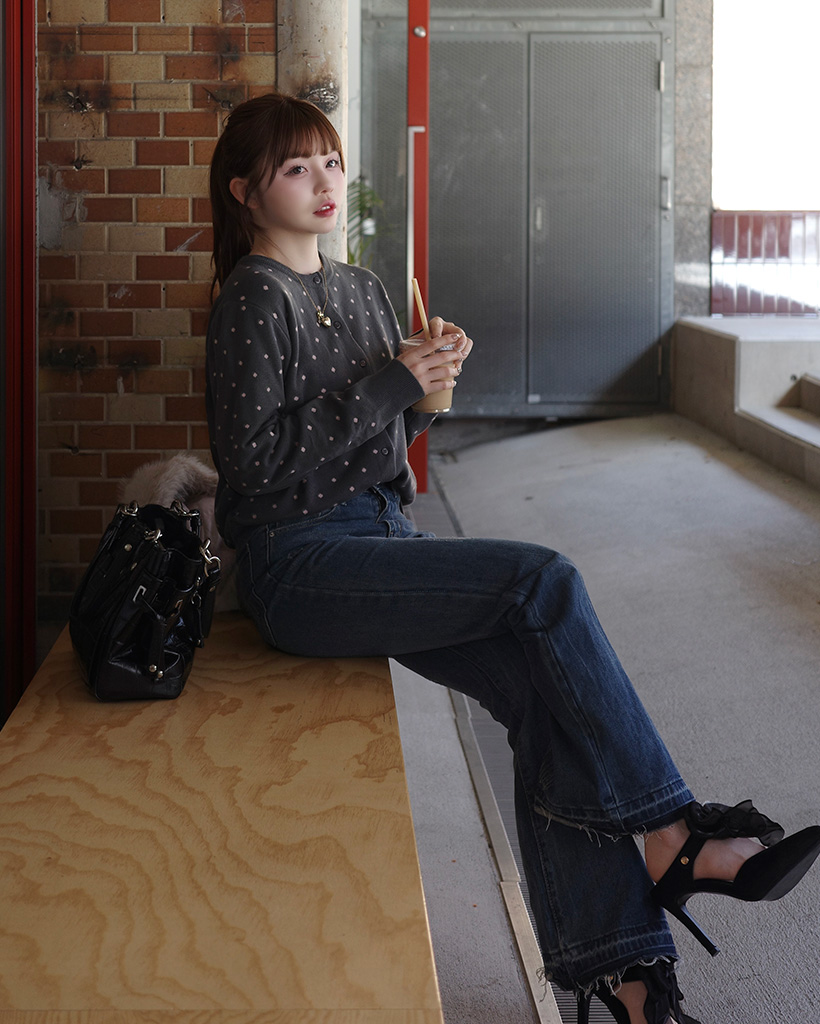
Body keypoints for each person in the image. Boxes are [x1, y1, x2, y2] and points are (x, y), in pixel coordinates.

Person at [205, 93, 820, 1024]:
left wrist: (426, 393)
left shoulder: (363, 287)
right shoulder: (254, 297)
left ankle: (629, 985)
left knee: (544, 707)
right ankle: (674, 833)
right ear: (245, 191)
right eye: (297, 168)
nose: (324, 181)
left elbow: (382, 444)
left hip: (381, 540)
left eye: (330, 161)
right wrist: (391, 385)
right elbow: (251, 466)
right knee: (543, 579)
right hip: (298, 565)